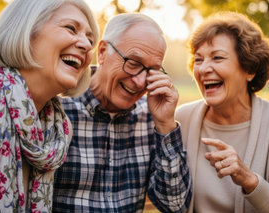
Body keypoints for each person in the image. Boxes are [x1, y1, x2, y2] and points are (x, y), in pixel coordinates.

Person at [0, 0, 99, 212]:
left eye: (90, 38)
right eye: (70, 28)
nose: (86, 44)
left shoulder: (57, 129)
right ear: (26, 32)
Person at [52, 13, 192, 212]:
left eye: (152, 70)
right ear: (102, 52)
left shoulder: (151, 119)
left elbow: (175, 206)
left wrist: (165, 125)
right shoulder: (57, 108)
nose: (140, 81)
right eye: (133, 63)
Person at [175, 11, 269, 213]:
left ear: (250, 69)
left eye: (217, 57)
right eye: (199, 60)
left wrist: (249, 180)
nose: (204, 69)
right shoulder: (181, 119)